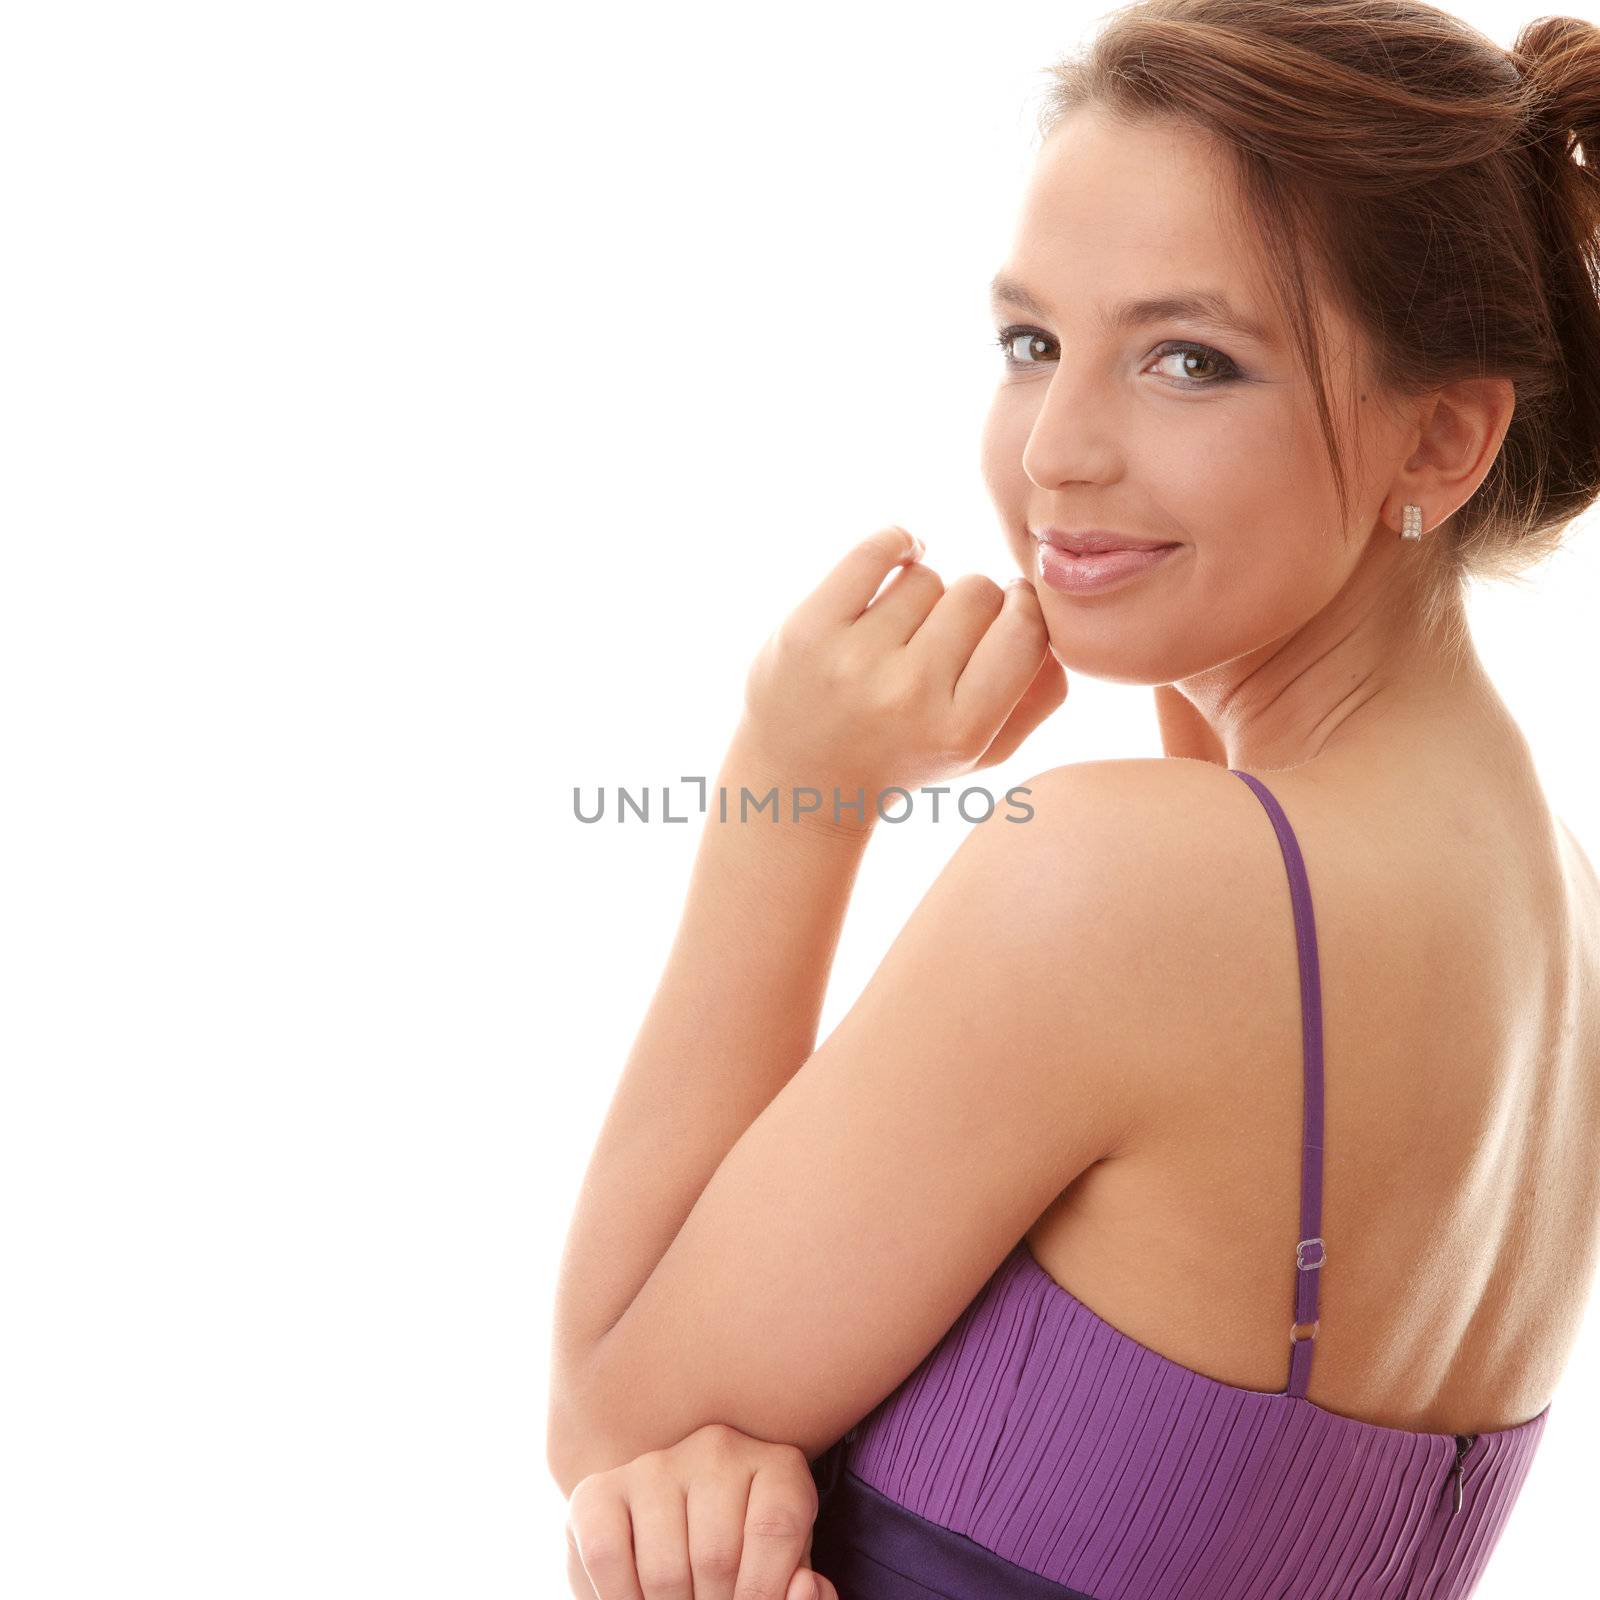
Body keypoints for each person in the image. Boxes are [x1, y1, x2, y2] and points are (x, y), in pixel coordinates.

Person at [548, 1, 1600, 1595]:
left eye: (1191, 360)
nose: (1055, 454)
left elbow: (612, 1416)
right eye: (1033, 344)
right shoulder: (1557, 913)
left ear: (1441, 440)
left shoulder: (1124, 887)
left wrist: (795, 779)